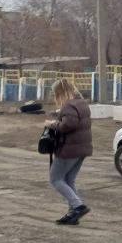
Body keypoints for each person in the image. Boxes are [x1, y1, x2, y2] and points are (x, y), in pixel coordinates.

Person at [45, 78, 92, 225]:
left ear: (61, 93)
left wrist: (53, 124)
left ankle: (78, 206)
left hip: (69, 149)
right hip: (82, 148)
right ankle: (73, 213)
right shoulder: (82, 103)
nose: (55, 98)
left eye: (56, 94)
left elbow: (68, 125)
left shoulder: (69, 106)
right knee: (68, 179)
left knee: (55, 178)